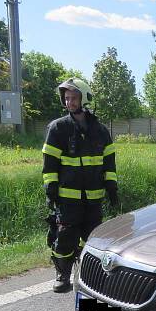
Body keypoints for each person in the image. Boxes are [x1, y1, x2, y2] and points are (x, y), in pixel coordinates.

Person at [42, 77, 118, 293]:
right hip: (67, 198)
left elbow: (109, 162)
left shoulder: (100, 130)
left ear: (85, 99)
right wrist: (51, 188)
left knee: (94, 239)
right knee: (65, 238)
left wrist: (112, 187)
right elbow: (49, 163)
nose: (69, 103)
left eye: (74, 98)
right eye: (66, 99)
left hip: (94, 198)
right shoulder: (58, 128)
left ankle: (92, 276)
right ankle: (62, 275)